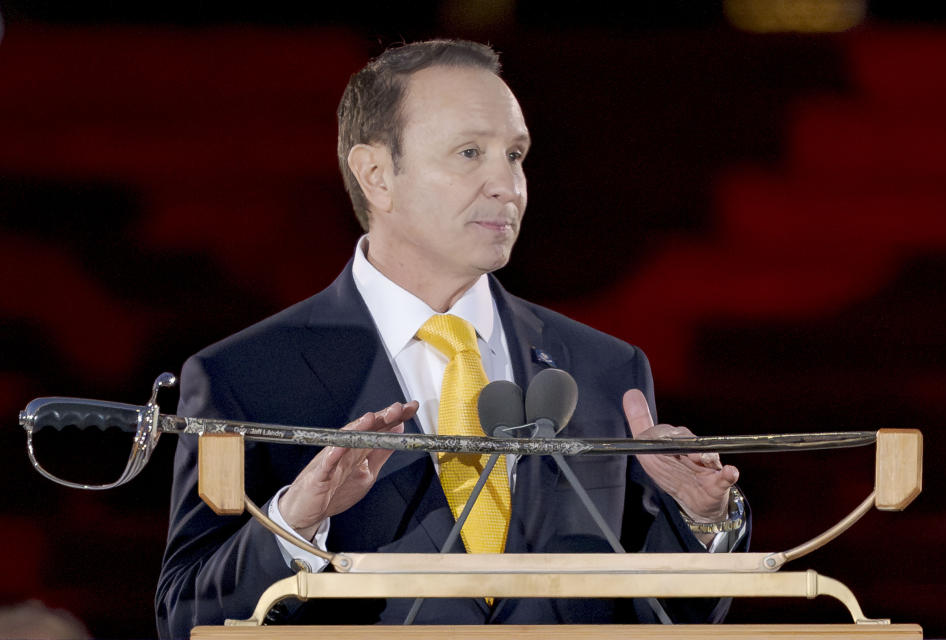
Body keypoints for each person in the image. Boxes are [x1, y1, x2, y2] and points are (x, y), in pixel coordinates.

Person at [155, 39, 749, 638]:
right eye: (470, 153)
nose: (508, 186)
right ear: (377, 176)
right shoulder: (245, 375)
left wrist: (702, 522)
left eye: (515, 155)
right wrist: (294, 522)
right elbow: (186, 619)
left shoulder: (604, 370)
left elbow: (666, 617)